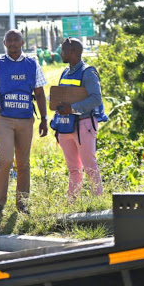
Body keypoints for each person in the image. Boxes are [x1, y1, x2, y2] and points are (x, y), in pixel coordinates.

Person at [0, 29, 48, 215]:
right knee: (5, 159)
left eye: (16, 40)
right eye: (9, 40)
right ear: (4, 43)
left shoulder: (32, 64)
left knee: (23, 163)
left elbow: (40, 93)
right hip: (3, 117)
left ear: (22, 42)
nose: (12, 43)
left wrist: (44, 119)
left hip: (26, 118)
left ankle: (22, 204)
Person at [53, 38, 104, 200]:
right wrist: (57, 126)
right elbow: (60, 99)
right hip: (65, 127)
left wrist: (73, 108)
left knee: (90, 167)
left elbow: (96, 98)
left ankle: (98, 203)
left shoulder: (88, 72)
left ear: (72, 51)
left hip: (83, 125)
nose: (60, 53)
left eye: (63, 50)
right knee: (74, 168)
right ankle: (72, 203)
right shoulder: (65, 72)